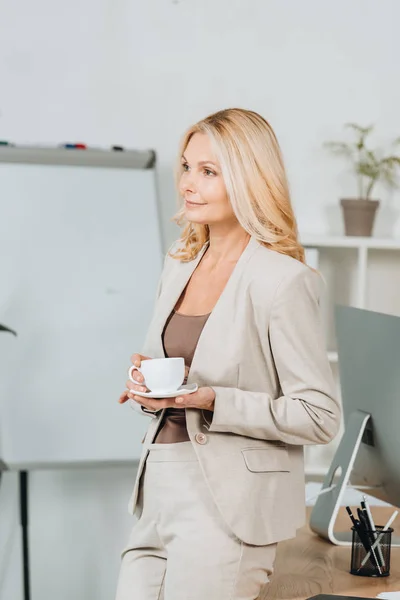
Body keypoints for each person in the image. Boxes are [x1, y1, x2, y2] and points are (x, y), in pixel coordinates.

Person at [115, 108, 341, 600]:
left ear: (248, 178)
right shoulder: (178, 265)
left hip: (226, 512)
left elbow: (319, 416)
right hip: (158, 494)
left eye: (208, 171)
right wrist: (149, 388)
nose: (187, 184)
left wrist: (211, 399)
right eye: (186, 166)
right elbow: (175, 378)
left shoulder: (283, 281)